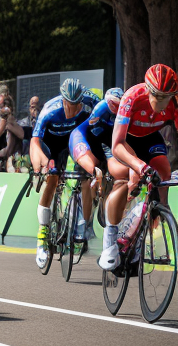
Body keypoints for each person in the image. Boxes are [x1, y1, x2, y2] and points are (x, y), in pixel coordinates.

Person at [99, 65, 177, 270]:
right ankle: (111, 235)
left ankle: (158, 214)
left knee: (164, 170)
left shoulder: (174, 103)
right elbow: (117, 144)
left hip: (151, 138)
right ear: (148, 90)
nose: (162, 102)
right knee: (130, 179)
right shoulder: (132, 96)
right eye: (157, 96)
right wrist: (139, 166)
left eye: (167, 97)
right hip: (126, 142)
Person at [29, 78, 100, 269]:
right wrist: (41, 162)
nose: (75, 109)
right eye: (71, 104)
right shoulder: (49, 111)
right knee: (52, 179)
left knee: (86, 176)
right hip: (51, 142)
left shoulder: (89, 101)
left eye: (78, 104)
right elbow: (35, 142)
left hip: (75, 138)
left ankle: (84, 225)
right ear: (63, 101)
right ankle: (43, 234)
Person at [70, 87, 124, 233]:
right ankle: (86, 223)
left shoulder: (123, 109)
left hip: (109, 138)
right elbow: (95, 137)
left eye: (119, 105)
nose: (117, 109)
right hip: (91, 139)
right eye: (113, 105)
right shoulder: (100, 109)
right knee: (87, 179)